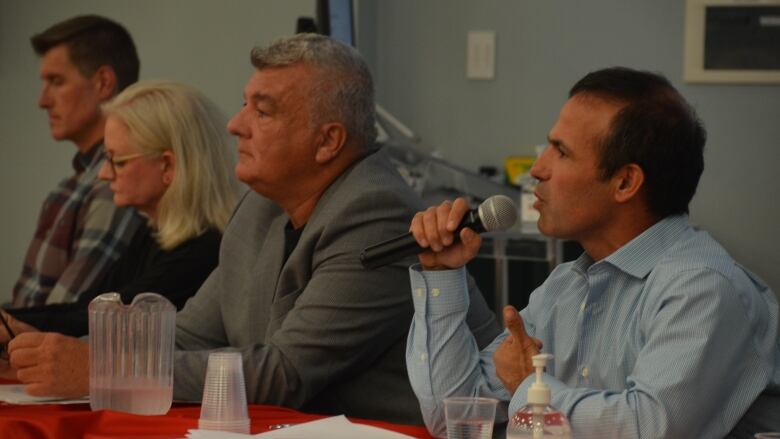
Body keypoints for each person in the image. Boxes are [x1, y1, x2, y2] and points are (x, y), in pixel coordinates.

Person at [5, 34, 501, 424]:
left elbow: (286, 374)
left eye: (261, 111)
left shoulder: (376, 214)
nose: (235, 125)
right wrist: (50, 358)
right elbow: (187, 335)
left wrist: (101, 369)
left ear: (327, 141)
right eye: (245, 104)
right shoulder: (262, 204)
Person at [405, 67, 780, 438]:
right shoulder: (566, 287)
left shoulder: (702, 288)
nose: (537, 169)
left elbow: (649, 429)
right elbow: (454, 414)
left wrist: (529, 387)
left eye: (561, 152)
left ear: (625, 182)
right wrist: (441, 273)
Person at [1, 80, 238, 338]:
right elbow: (88, 309)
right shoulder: (152, 234)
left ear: (167, 166)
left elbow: (106, 322)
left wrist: (14, 325)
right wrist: (11, 321)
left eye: (117, 161)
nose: (103, 174)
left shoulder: (203, 251)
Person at [12, 15, 144, 308]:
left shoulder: (116, 185)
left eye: (56, 81)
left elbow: (59, 317)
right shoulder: (74, 185)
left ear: (103, 83)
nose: (42, 101)